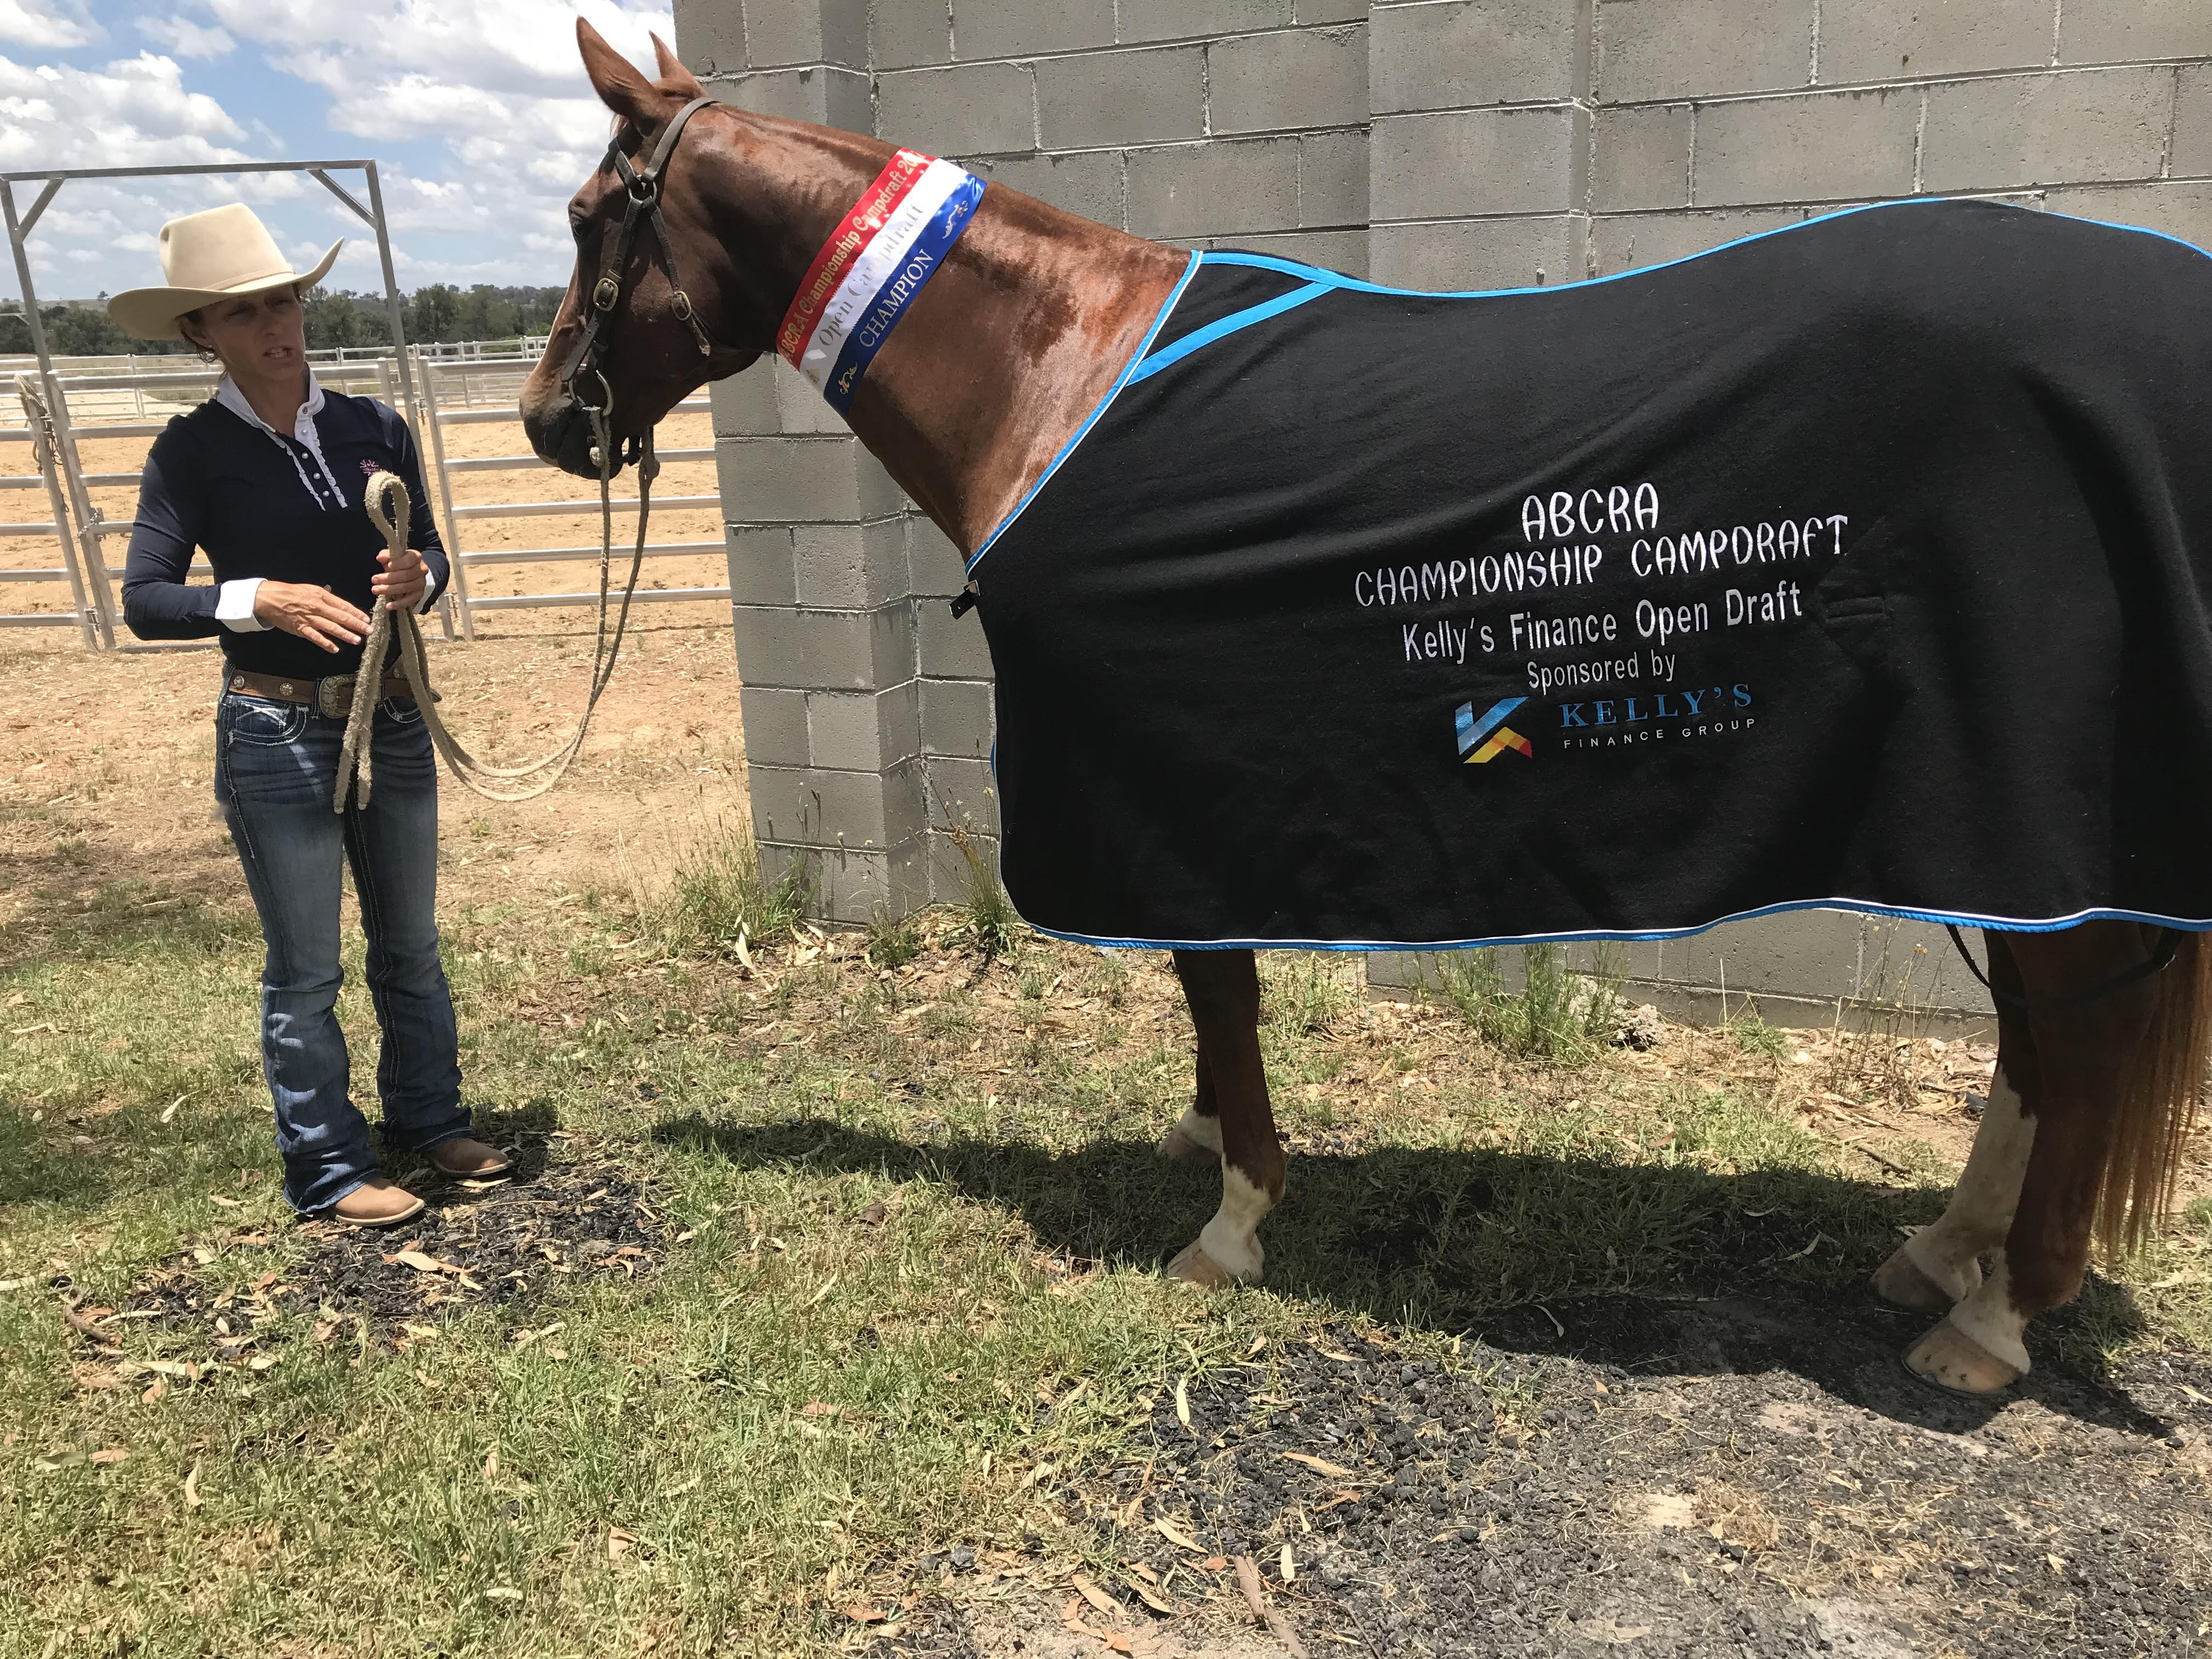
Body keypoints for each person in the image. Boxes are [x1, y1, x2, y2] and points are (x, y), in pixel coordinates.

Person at [112, 202, 510, 1226]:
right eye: (243, 312)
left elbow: (430, 554)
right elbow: (145, 599)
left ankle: (430, 1118)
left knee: (410, 944)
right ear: (199, 332)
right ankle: (329, 1167)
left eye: (284, 301)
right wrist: (258, 599)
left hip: (391, 716)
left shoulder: (375, 428)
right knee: (307, 969)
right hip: (276, 726)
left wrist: (423, 578)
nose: (275, 325)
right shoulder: (191, 451)